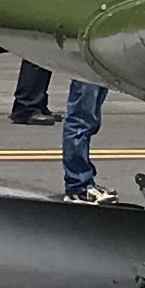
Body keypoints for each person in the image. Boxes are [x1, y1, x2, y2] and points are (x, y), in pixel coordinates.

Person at [59, 74, 113, 205]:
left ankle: (83, 183)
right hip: (85, 67)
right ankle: (78, 186)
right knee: (81, 121)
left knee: (87, 121)